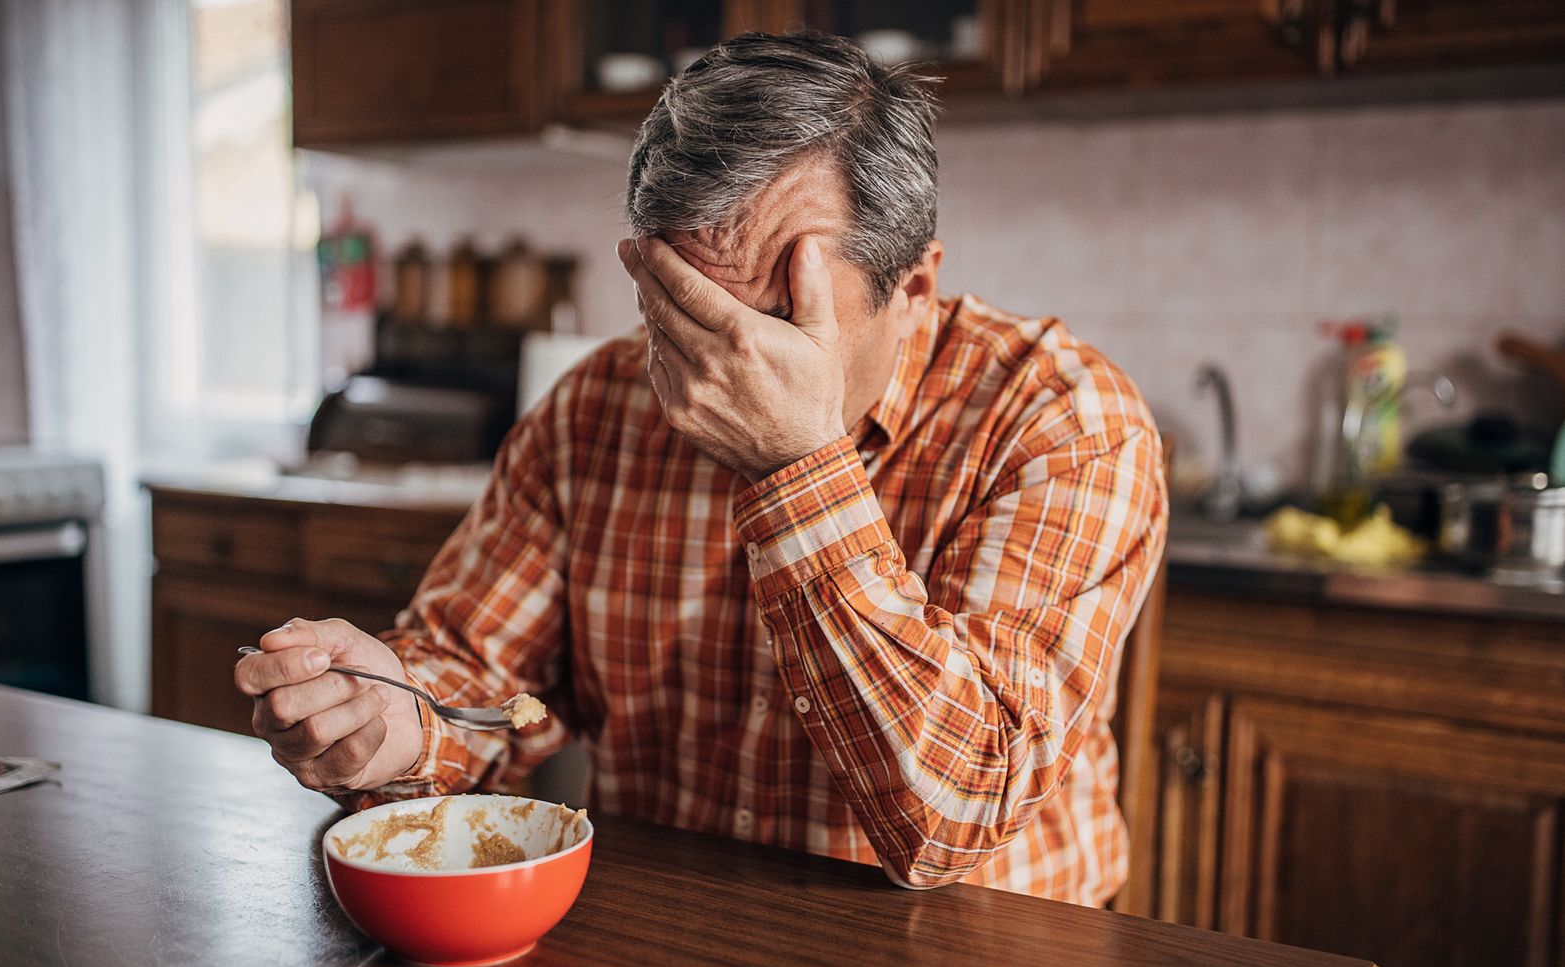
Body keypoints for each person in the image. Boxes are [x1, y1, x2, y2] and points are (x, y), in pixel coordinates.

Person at [235, 30, 1166, 903]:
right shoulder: (593, 409)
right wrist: (391, 724)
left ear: (912, 289)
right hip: (675, 942)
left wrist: (794, 465)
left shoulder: (1063, 420)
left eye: (771, 327)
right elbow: (476, 677)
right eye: (678, 319)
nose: (717, 374)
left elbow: (959, 812)